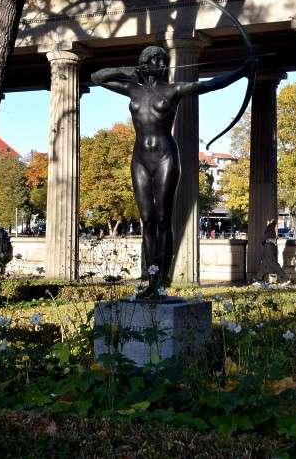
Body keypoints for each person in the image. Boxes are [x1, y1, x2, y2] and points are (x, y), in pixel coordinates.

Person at [91, 45, 256, 297]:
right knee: (146, 220)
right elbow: (96, 77)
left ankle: (162, 281)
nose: (162, 64)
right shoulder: (132, 88)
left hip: (166, 156)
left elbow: (210, 85)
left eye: (163, 60)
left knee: (162, 218)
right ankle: (149, 277)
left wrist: (242, 71)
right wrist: (126, 70)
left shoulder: (173, 89)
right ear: (145, 62)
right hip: (140, 159)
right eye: (156, 59)